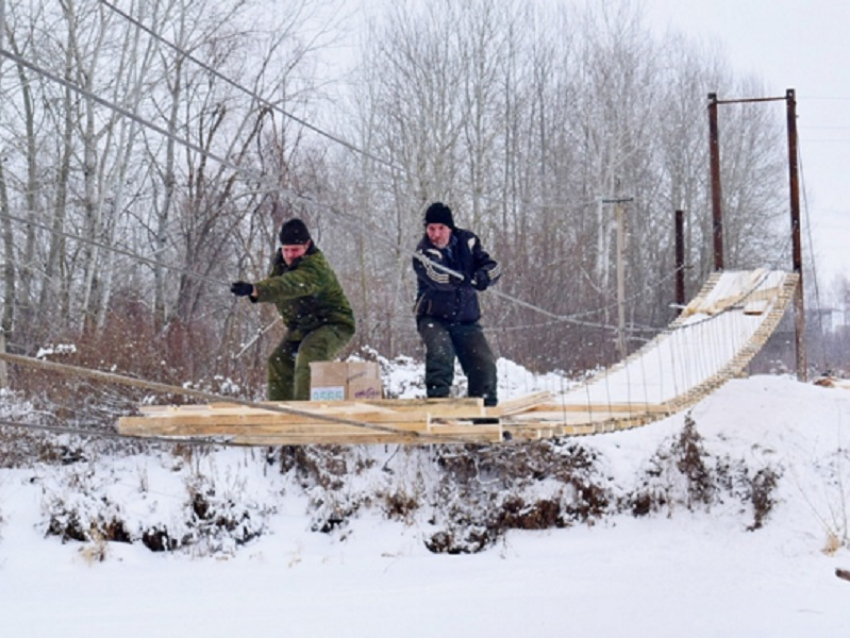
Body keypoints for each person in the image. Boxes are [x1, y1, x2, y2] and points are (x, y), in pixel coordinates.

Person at [231, 218, 355, 401]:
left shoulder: (315, 267)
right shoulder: (281, 264)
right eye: (286, 249)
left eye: (295, 250)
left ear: (307, 246)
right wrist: (254, 291)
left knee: (310, 355)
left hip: (334, 324)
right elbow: (275, 287)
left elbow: (289, 285)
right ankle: (281, 413)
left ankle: (306, 413)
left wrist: (257, 289)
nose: (290, 255)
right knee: (278, 361)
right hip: (302, 327)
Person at [413, 202, 501, 407]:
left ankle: (485, 420)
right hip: (433, 317)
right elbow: (437, 277)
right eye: (431, 228)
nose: (435, 234)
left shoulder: (468, 241)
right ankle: (438, 410)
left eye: (440, 228)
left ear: (450, 229)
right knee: (441, 354)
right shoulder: (423, 253)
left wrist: (483, 277)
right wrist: (458, 279)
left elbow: (493, 267)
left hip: (467, 320)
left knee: (484, 364)